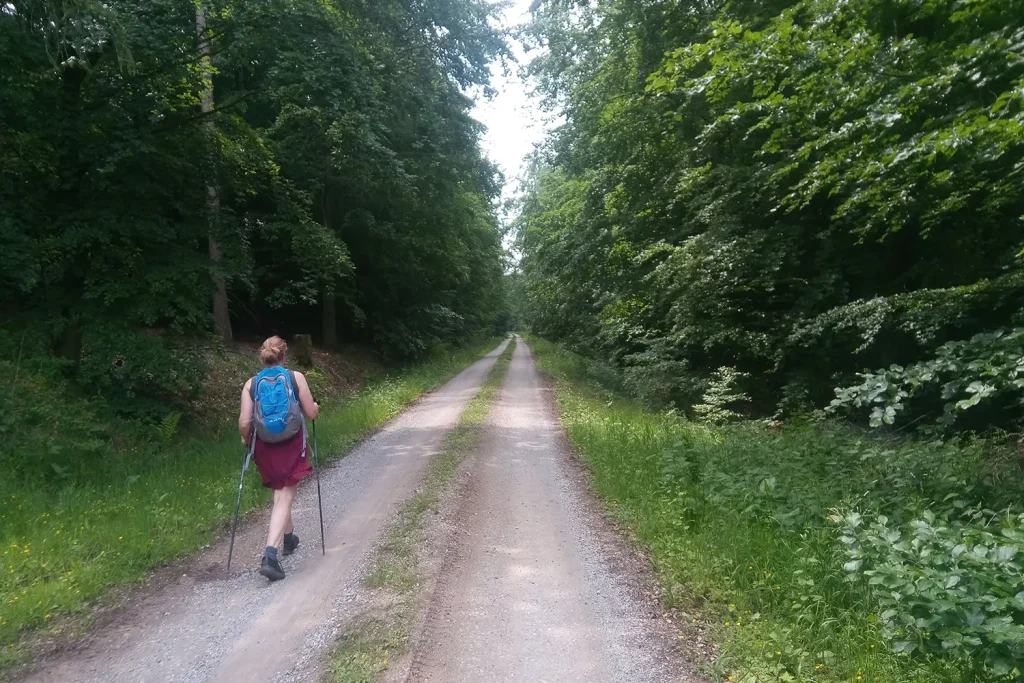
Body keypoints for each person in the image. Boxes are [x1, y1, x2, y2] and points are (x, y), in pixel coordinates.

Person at [238, 336, 319, 581]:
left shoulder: (251, 384)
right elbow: (310, 413)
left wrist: (245, 438)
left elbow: (244, 422)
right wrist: (315, 407)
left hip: (266, 446)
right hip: (291, 443)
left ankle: (288, 538)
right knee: (284, 496)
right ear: (285, 356)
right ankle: (270, 556)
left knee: (280, 493)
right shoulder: (295, 378)